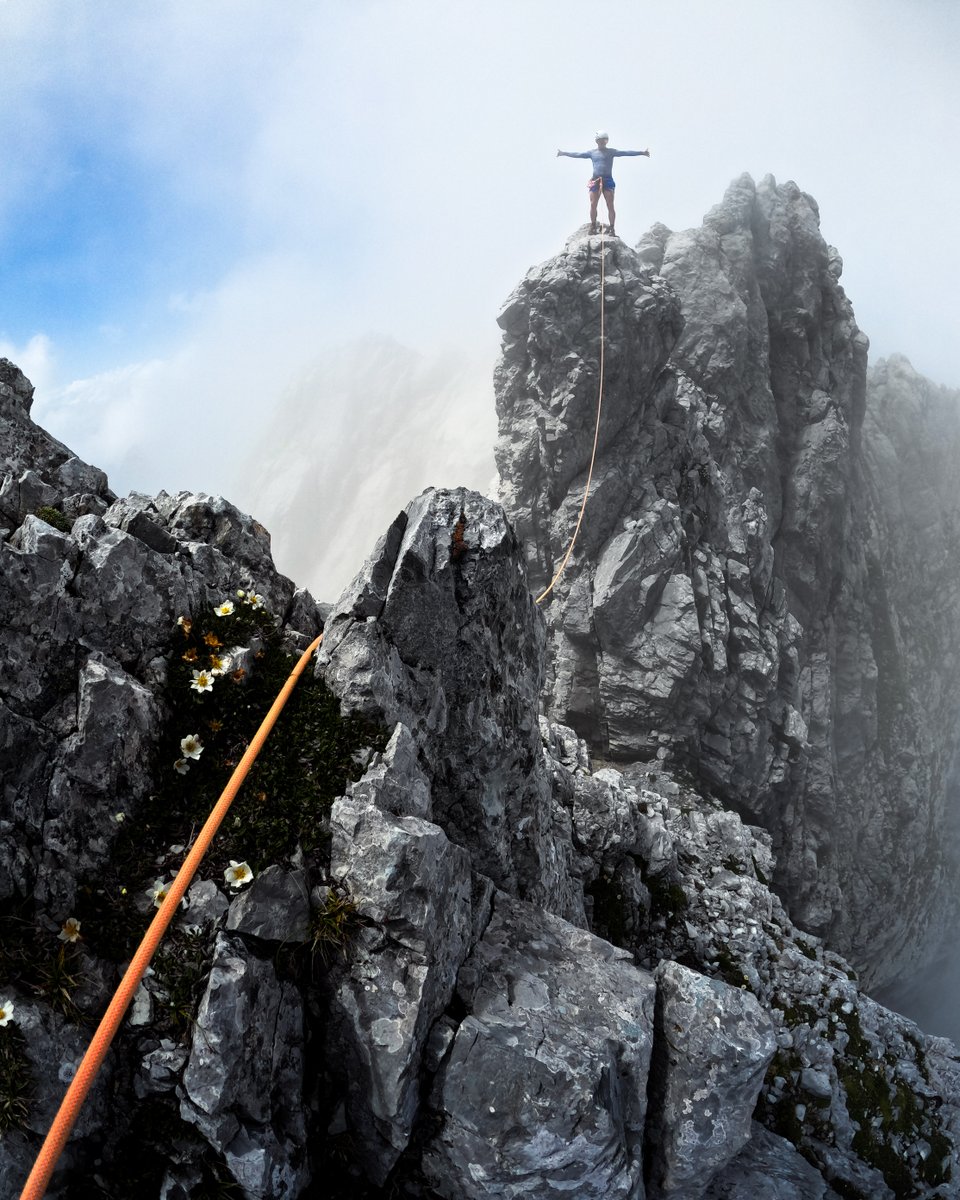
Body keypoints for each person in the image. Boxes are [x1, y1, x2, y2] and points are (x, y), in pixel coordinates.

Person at [557, 131, 650, 236]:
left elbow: (626, 153)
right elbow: (578, 154)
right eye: (601, 140)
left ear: (607, 141)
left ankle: (612, 228)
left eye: (604, 140)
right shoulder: (592, 153)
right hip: (595, 180)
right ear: (597, 141)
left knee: (610, 204)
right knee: (593, 204)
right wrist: (563, 153)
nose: (602, 142)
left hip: (608, 180)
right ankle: (593, 226)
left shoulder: (611, 152)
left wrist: (642, 153)